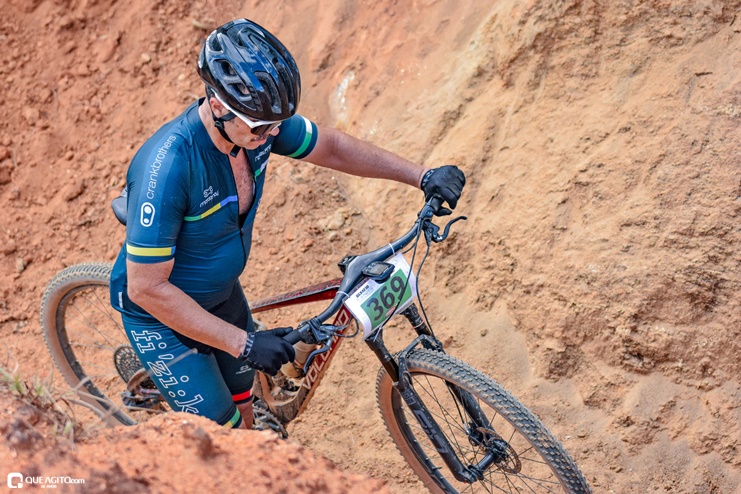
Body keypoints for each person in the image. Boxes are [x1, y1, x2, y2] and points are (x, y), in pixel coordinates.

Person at [109, 18, 465, 430]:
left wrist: (421, 176)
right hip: (160, 318)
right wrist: (243, 343)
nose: (274, 133)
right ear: (219, 105)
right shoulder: (169, 165)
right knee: (227, 441)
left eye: (278, 123)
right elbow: (146, 288)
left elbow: (332, 147)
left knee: (246, 414)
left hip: (221, 295)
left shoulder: (255, 127)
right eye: (263, 126)